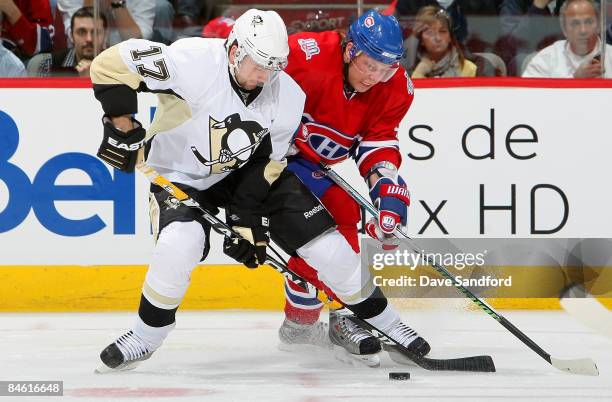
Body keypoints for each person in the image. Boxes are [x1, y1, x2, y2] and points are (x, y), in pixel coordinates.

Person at [90, 8, 427, 372]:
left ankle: (389, 323)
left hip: (247, 168)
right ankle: (146, 336)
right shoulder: (193, 61)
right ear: (235, 49)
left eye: (275, 66)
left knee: (327, 246)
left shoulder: (287, 94)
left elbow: (268, 163)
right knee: (180, 243)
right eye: (258, 64)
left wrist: (244, 218)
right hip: (182, 174)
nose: (265, 75)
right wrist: (122, 125)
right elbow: (109, 65)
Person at [276, 9, 430, 368]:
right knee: (325, 221)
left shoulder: (395, 88)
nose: (376, 77)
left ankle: (304, 319)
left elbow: (377, 142)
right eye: (369, 65)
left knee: (345, 209)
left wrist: (387, 192)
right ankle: (344, 313)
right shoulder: (304, 55)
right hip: (263, 161)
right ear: (349, 50)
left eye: (386, 68)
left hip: (309, 164)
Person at [523, 0, 612, 77]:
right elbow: (528, 95)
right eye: (575, 23)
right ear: (564, 29)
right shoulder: (545, 59)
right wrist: (574, 80)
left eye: (589, 22)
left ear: (599, 26)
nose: (583, 30)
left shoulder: (610, 55)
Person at [28, 7, 107, 77]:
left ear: (105, 36)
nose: (89, 39)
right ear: (71, 36)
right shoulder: (46, 65)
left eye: (96, 32)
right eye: (81, 32)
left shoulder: (117, 66)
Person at [409, 6, 477, 77]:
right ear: (421, 40)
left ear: (450, 37)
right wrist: (419, 73)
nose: (438, 38)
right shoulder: (409, 66)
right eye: (430, 32)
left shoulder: (468, 69)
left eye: (443, 31)